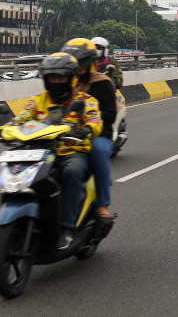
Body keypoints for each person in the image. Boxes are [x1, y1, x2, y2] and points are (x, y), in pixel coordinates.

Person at [0, 52, 102, 250]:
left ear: (71, 78)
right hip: (39, 152)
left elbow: (95, 120)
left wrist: (86, 129)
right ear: (46, 79)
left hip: (71, 152)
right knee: (11, 171)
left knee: (72, 171)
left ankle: (66, 228)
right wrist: (2, 130)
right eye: (52, 77)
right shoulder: (38, 101)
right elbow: (21, 119)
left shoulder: (85, 100)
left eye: (60, 77)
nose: (56, 81)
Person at [63, 38, 117, 225]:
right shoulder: (63, 82)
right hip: (66, 133)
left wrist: (88, 123)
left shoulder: (103, 83)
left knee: (98, 150)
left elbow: (110, 115)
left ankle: (103, 205)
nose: (76, 68)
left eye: (80, 64)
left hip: (97, 134)